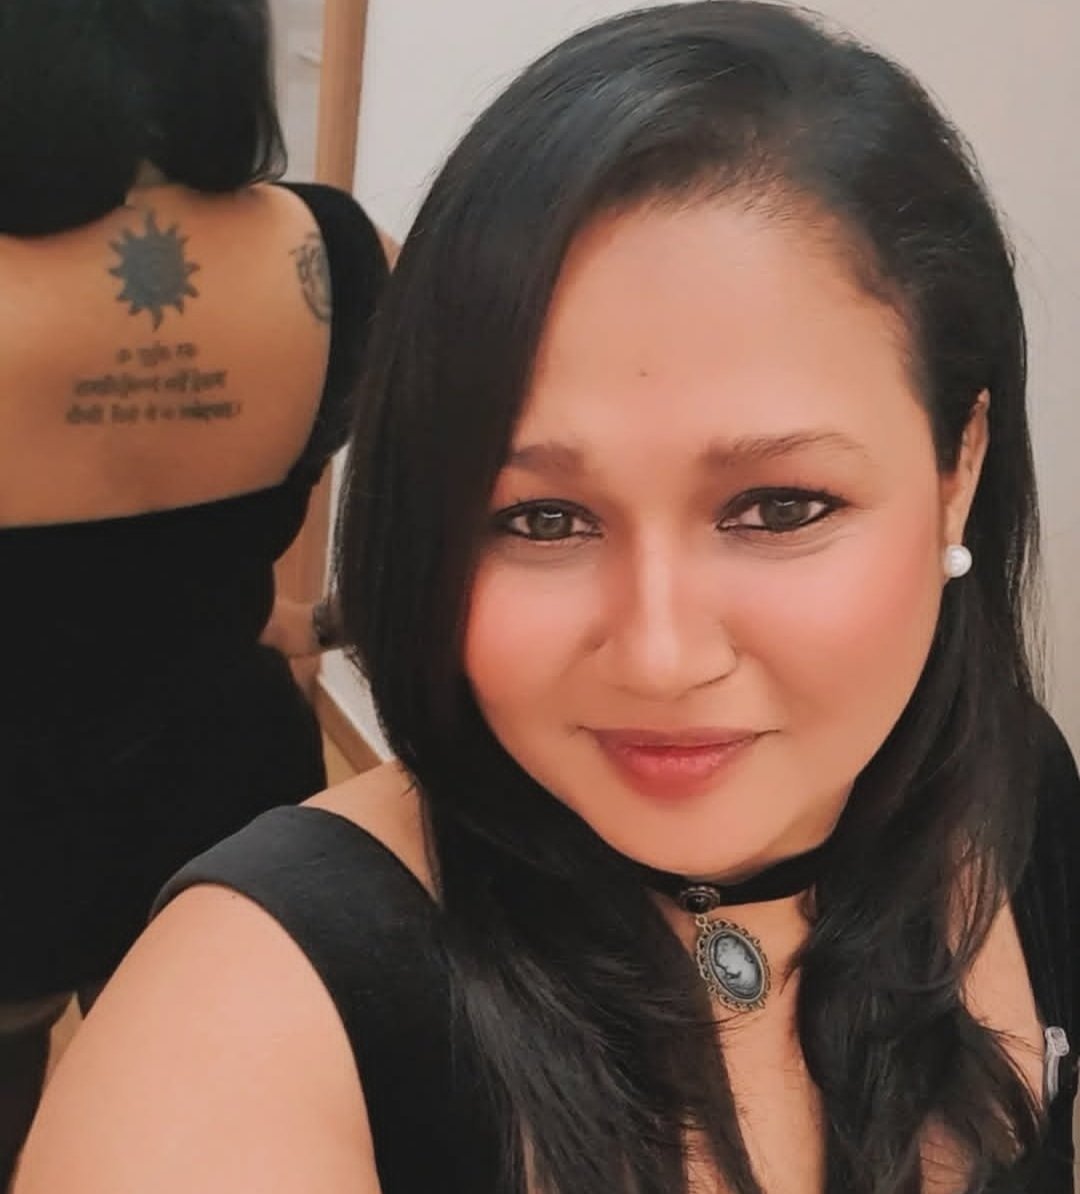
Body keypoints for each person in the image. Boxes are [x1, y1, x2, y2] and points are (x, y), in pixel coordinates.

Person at [15, 3, 1079, 1192]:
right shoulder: (331, 256)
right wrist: (304, 627)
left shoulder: (1015, 795)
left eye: (781, 507)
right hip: (224, 739)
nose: (661, 657)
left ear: (960, 470)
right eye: (542, 519)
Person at [0, 0, 387, 1181]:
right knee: (183, 1136)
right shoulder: (336, 249)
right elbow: (479, 493)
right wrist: (319, 623)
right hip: (225, 792)